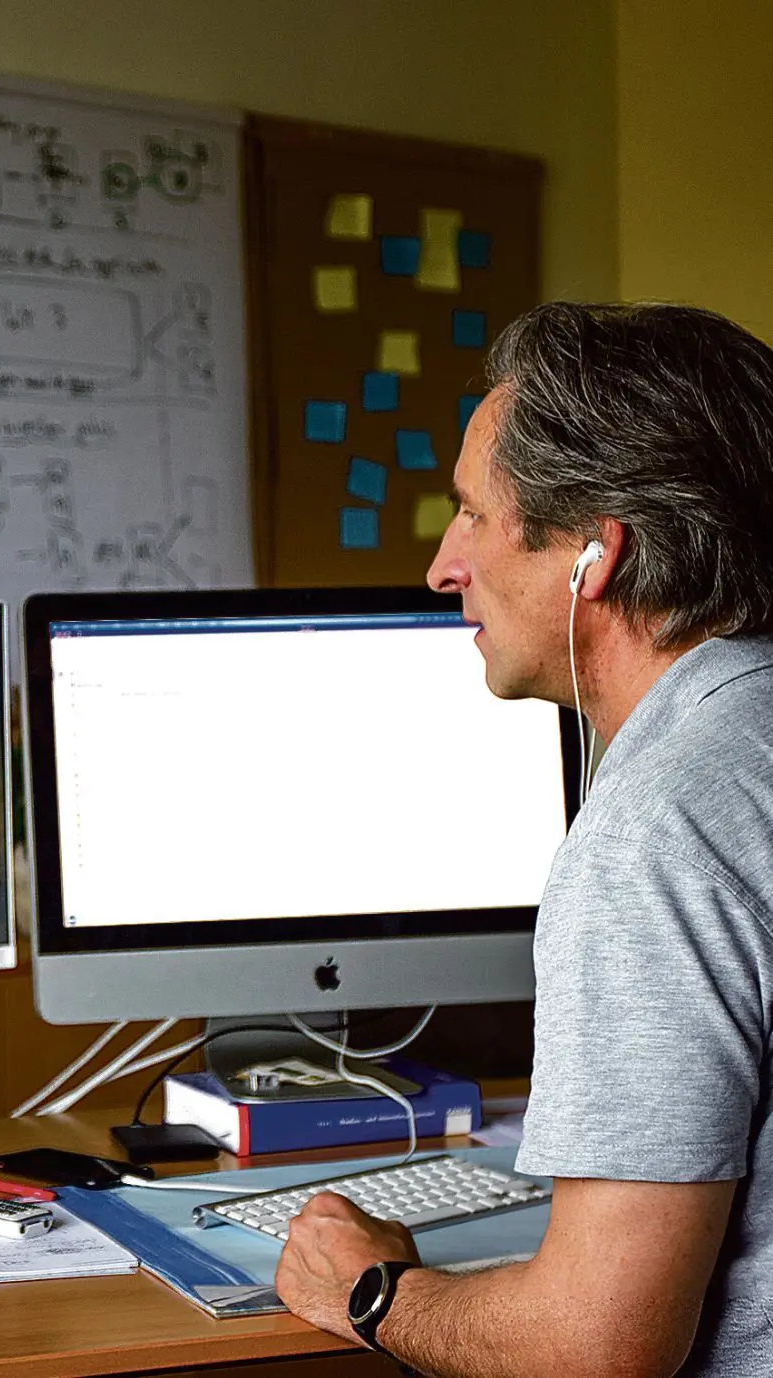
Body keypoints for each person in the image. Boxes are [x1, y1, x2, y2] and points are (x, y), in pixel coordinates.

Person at [275, 302, 773, 1376]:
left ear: (597, 553)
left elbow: (595, 1347)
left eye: (470, 514)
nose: (443, 565)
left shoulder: (658, 830)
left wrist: (372, 1291)